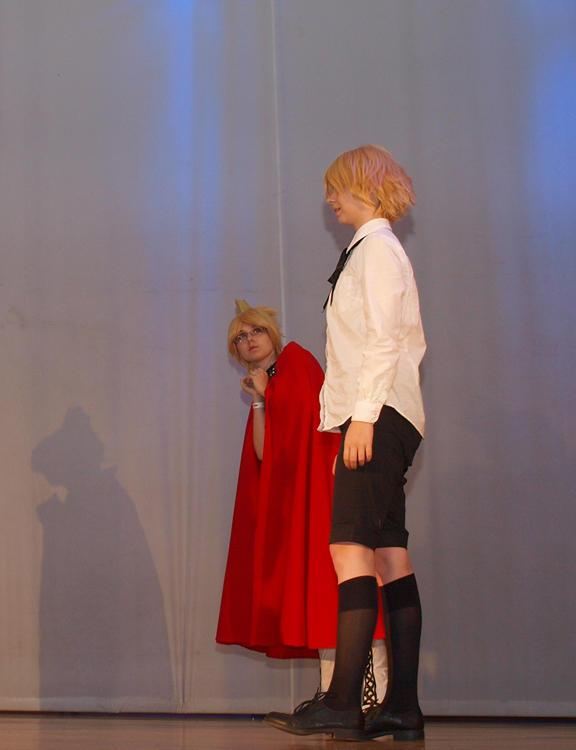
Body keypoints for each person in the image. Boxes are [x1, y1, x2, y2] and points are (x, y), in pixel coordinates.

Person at [264, 145, 426, 741]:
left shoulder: (377, 250)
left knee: (349, 551)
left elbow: (383, 341)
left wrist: (362, 418)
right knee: (388, 555)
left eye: (337, 188)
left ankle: (342, 702)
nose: (330, 199)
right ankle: (401, 707)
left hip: (376, 416)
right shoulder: (373, 249)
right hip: (385, 415)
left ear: (365, 186)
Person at [216, 301, 385, 700]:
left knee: (332, 585)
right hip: (298, 503)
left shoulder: (297, 362)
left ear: (272, 334)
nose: (249, 340)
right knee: (318, 592)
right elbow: (264, 453)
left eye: (256, 331)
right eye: (240, 338)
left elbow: (314, 431)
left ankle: (366, 694)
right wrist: (261, 399)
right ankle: (336, 694)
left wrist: (269, 394)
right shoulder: (270, 382)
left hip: (323, 496)